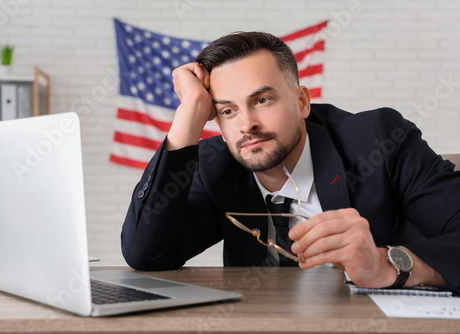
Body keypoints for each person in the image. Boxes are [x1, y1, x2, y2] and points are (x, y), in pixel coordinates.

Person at [121, 31, 460, 290]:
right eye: (227, 110)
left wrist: (388, 265)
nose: (246, 123)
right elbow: (146, 254)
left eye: (263, 99)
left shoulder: (379, 139)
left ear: (301, 102)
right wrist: (188, 115)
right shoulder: (215, 167)